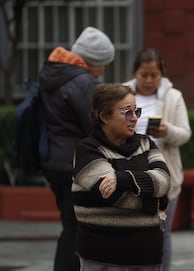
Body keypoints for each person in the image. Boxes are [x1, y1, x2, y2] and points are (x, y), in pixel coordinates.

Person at [39, 26, 114, 271]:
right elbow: (96, 124)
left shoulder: (55, 73)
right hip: (75, 164)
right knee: (77, 228)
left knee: (70, 225)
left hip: (54, 160)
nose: (103, 70)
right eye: (102, 64)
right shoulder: (82, 82)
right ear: (92, 60)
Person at [72, 83, 171, 270]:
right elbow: (113, 195)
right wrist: (156, 203)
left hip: (147, 256)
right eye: (127, 112)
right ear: (104, 117)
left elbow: (164, 181)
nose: (134, 118)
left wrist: (124, 178)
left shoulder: (146, 143)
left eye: (136, 111)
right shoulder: (87, 150)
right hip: (103, 256)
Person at [124, 48, 192, 271]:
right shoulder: (122, 94)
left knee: (162, 232)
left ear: (162, 74)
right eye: (144, 74)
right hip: (129, 173)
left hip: (165, 174)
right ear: (135, 73)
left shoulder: (173, 97)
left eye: (154, 75)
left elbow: (185, 133)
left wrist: (167, 131)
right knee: (130, 232)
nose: (149, 80)